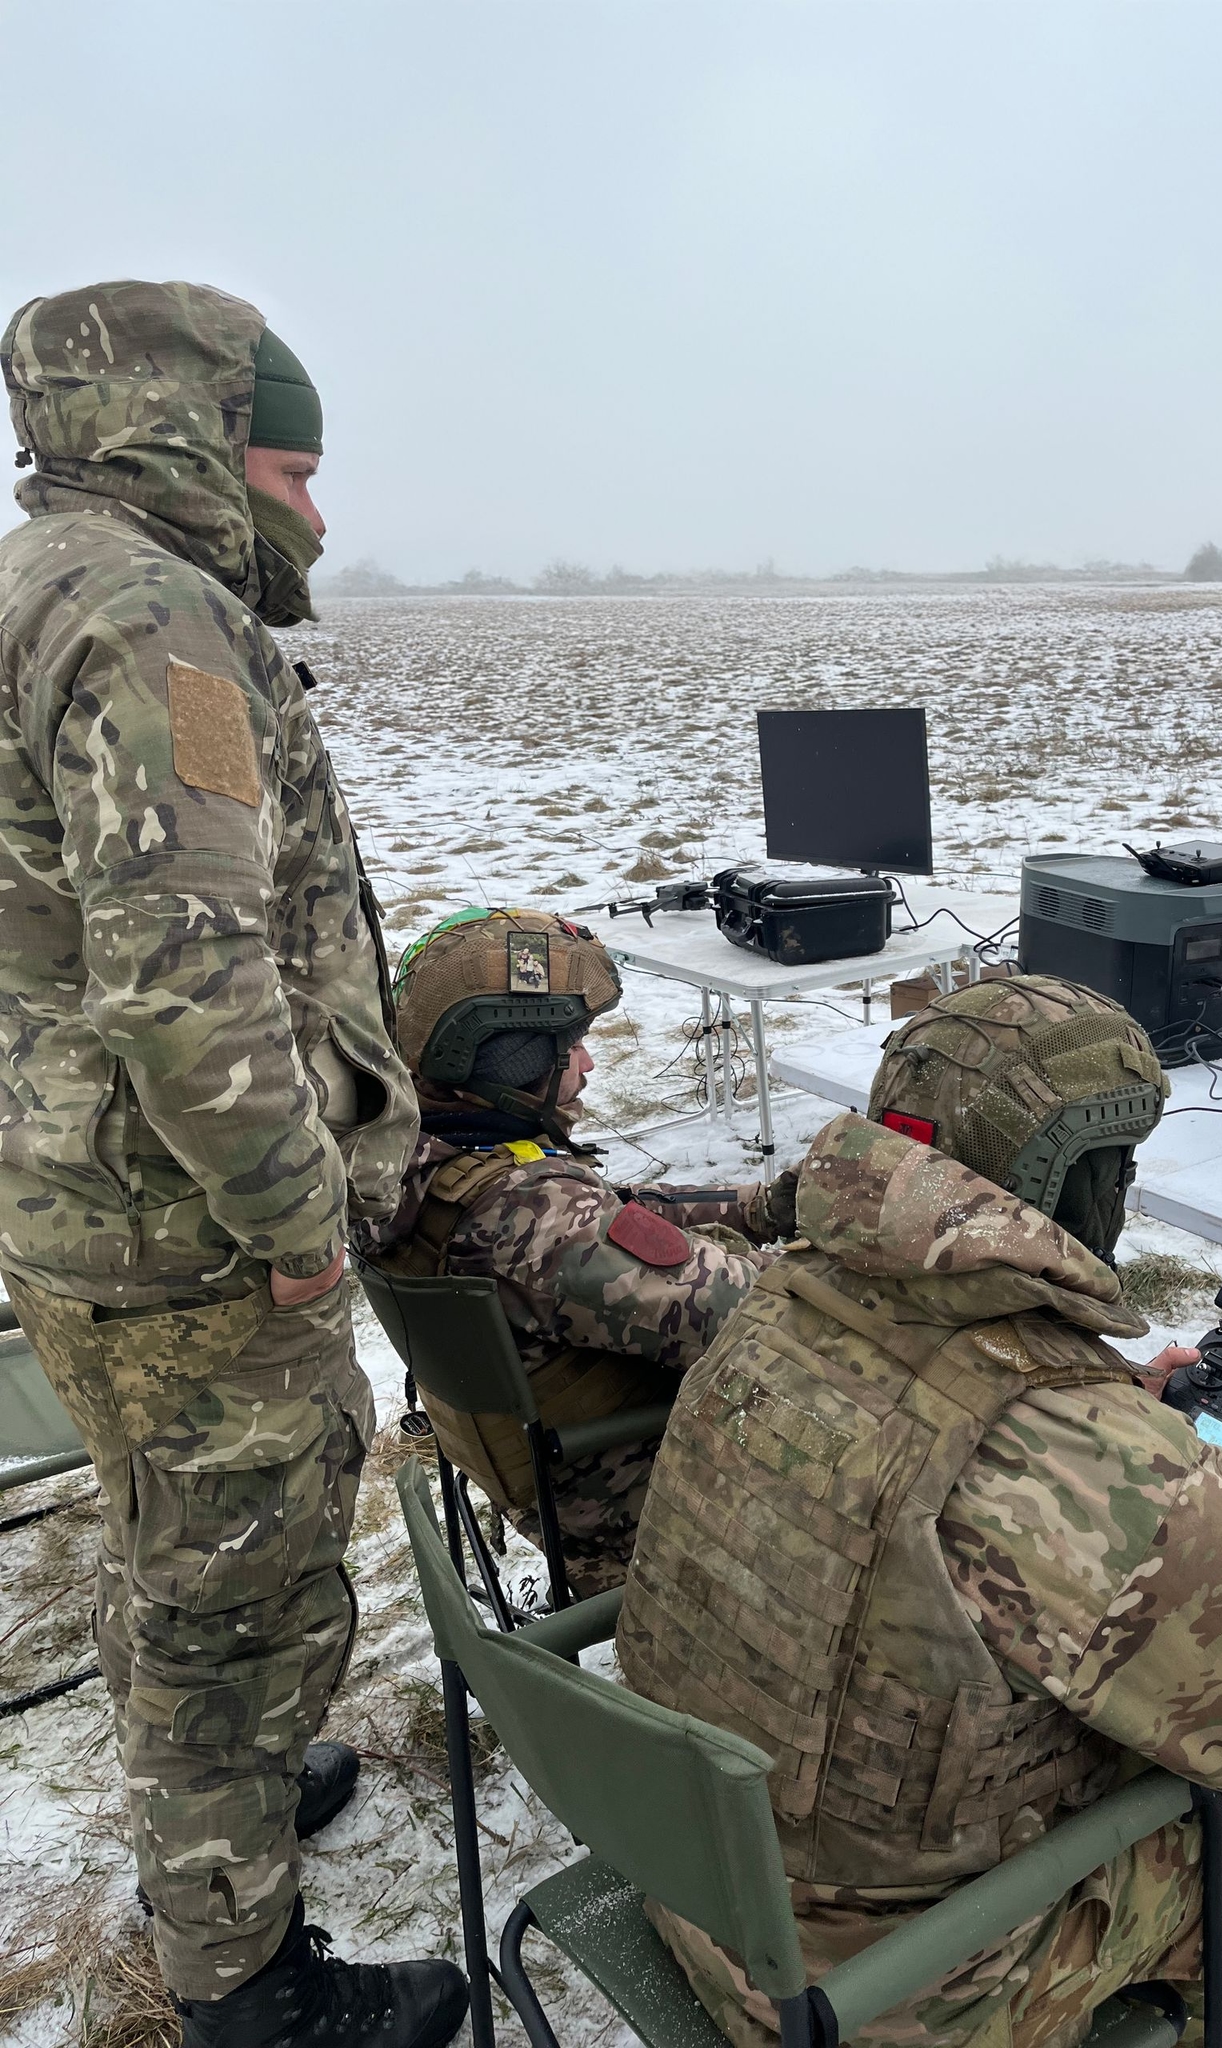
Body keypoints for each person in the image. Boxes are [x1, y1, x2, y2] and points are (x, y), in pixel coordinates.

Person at [616, 974, 1222, 2048]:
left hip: (700, 1882)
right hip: (889, 1994)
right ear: (1074, 1179)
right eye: (1120, 1167)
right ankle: (1206, 2015)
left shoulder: (770, 1304)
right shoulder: (1083, 1466)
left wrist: (1090, 1393)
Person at [0, 282, 468, 2048]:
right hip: (187, 1229)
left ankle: (232, 1811)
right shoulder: (155, 620)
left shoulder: (37, 578)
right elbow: (186, 972)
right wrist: (291, 1225)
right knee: (229, 1591)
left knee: (164, 1538)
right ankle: (244, 1979)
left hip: (78, 1200)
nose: (318, 514)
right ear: (194, 442)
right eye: (296, 466)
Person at [356, 905, 800, 1597]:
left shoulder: (420, 1158)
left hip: (541, 1470)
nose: (589, 1063)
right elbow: (751, 1310)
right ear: (514, 1056)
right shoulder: (533, 1215)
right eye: (575, 1043)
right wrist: (837, 1245)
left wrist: (758, 1206)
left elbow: (616, 1213)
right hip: (626, 1502)